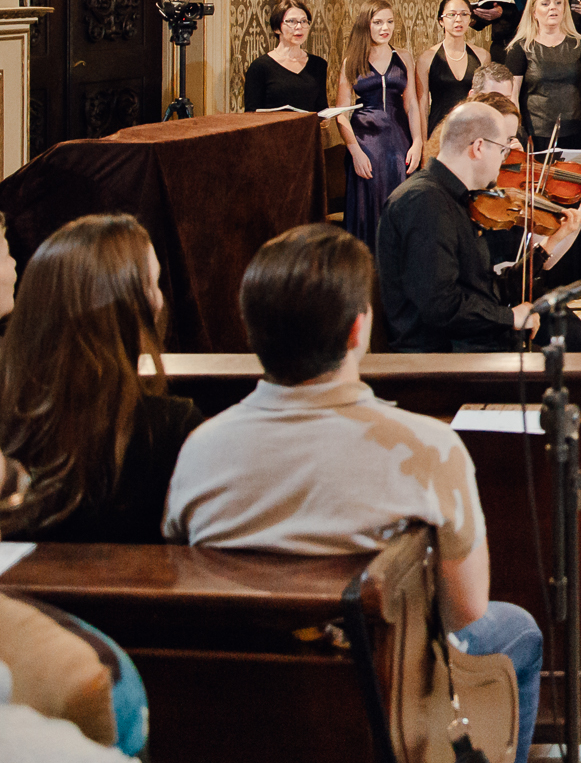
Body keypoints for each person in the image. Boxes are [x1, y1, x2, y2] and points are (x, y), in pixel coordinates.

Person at [164, 224, 546, 754]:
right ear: (357, 331)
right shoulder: (429, 447)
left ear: (252, 330)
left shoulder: (198, 449)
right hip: (379, 691)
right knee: (519, 631)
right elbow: (466, 610)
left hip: (244, 696)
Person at [0, 215, 199, 543]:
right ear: (139, 307)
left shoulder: (12, 417)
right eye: (154, 284)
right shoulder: (171, 428)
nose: (160, 300)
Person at [376, 100, 581, 352]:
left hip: (470, 343)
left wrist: (551, 242)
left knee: (578, 352)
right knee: (574, 367)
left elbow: (486, 289)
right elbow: (440, 307)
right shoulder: (423, 202)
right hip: (443, 358)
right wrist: (510, 318)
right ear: (478, 148)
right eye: (503, 150)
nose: (506, 161)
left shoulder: (458, 199)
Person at [336, 0, 425, 247]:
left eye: (389, 21)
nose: (385, 28)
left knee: (401, 204)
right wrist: (354, 150)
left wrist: (417, 141)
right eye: (378, 22)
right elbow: (341, 113)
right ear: (366, 25)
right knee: (367, 208)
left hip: (399, 141)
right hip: (365, 142)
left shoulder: (404, 57)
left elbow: (412, 104)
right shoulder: (351, 60)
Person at [504, 0, 581, 151]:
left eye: (558, 3)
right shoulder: (520, 48)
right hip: (535, 135)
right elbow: (512, 94)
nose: (552, 8)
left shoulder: (580, 44)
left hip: (577, 131)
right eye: (545, 4)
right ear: (534, 12)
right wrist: (516, 132)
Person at [417, 0, 486, 137]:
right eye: (452, 14)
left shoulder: (482, 56)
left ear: (470, 19)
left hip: (472, 132)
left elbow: (484, 101)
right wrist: (423, 143)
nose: (458, 19)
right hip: (438, 131)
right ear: (441, 20)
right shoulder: (427, 58)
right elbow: (422, 105)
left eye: (464, 14)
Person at [243, 0, 329, 111]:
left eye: (304, 21)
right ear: (277, 28)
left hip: (309, 128)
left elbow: (321, 107)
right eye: (292, 21)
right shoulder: (260, 67)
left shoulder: (318, 64)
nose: (299, 27)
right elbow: (251, 112)